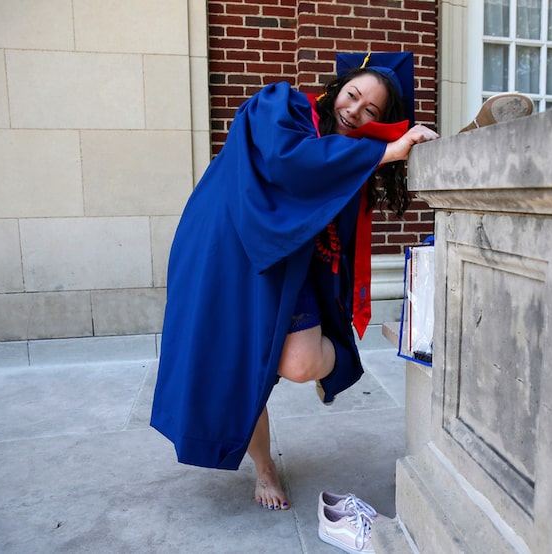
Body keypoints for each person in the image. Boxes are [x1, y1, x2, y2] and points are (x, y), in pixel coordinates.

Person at [149, 52, 439, 511]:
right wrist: (386, 148)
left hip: (287, 260)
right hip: (230, 250)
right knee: (242, 364)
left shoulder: (348, 155)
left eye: (372, 113)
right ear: (337, 87)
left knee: (301, 363)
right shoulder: (281, 105)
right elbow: (290, 162)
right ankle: (264, 467)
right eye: (353, 95)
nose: (354, 112)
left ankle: (337, 359)